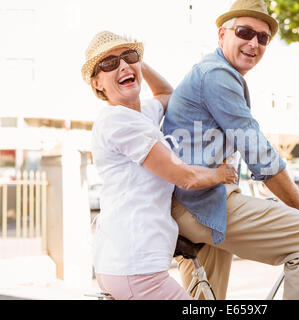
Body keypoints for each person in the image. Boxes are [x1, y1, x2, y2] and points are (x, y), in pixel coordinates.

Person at [162, 0, 299, 300]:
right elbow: (260, 154)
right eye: (245, 32)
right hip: (202, 204)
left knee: (207, 301)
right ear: (222, 35)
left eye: (263, 38)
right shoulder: (217, 75)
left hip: (194, 201)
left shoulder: (209, 72)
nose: (254, 43)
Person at [81, 31, 237, 300]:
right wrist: (221, 174)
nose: (122, 66)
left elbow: (166, 93)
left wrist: (134, 62)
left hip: (127, 263)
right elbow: (183, 176)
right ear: (97, 84)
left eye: (128, 57)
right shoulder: (118, 121)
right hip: (135, 267)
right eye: (108, 64)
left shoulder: (141, 113)